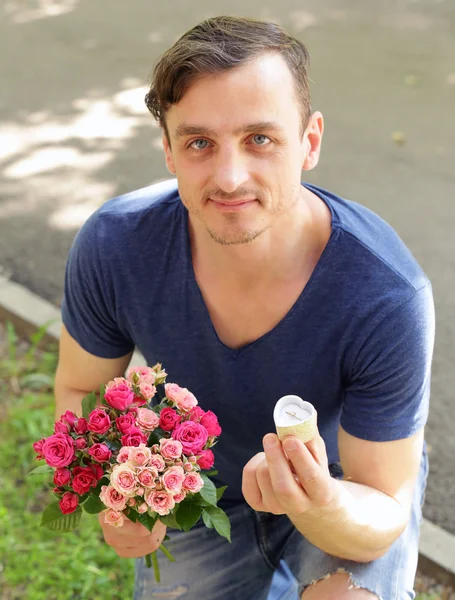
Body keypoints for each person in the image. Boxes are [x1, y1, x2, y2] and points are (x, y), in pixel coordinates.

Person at [54, 15, 434, 600]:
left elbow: (383, 508)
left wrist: (319, 502)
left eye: (260, 138)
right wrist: (123, 500)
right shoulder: (114, 246)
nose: (230, 177)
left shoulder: (385, 294)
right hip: (190, 483)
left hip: (342, 482)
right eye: (200, 142)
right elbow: (81, 388)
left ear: (309, 142)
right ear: (169, 151)